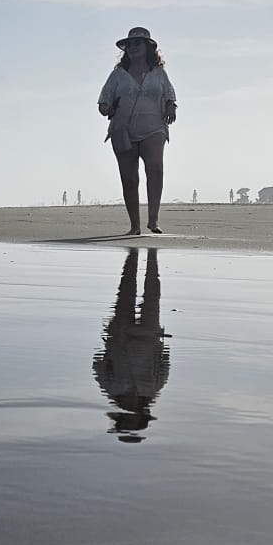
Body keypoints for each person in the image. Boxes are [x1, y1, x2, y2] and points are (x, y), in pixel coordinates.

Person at [97, 27, 178, 235]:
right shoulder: (117, 75)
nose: (133, 48)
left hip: (154, 127)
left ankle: (154, 220)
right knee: (130, 178)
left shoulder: (158, 73)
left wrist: (170, 106)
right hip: (122, 129)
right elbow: (103, 103)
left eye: (137, 44)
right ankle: (135, 226)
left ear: (148, 47)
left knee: (155, 169)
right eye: (130, 45)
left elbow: (170, 95)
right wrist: (108, 108)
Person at [94, 248, 171, 441]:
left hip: (121, 337)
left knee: (127, 292)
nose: (130, 412)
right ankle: (146, 258)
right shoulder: (152, 389)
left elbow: (98, 365)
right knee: (149, 295)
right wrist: (160, 346)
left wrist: (109, 348)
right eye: (133, 418)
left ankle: (140, 257)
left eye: (127, 419)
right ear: (142, 415)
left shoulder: (111, 389)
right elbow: (164, 365)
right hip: (146, 338)